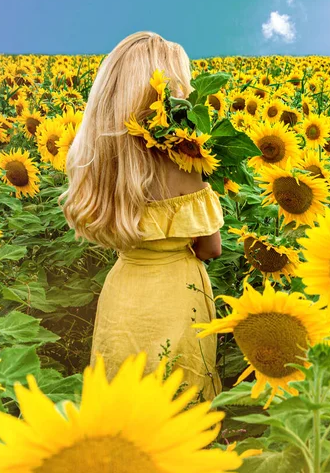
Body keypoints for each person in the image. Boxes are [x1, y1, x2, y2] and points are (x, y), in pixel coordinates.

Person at [58, 31, 224, 400]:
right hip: (176, 296)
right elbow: (211, 248)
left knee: (121, 402)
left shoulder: (101, 162)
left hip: (123, 296)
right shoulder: (185, 165)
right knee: (181, 407)